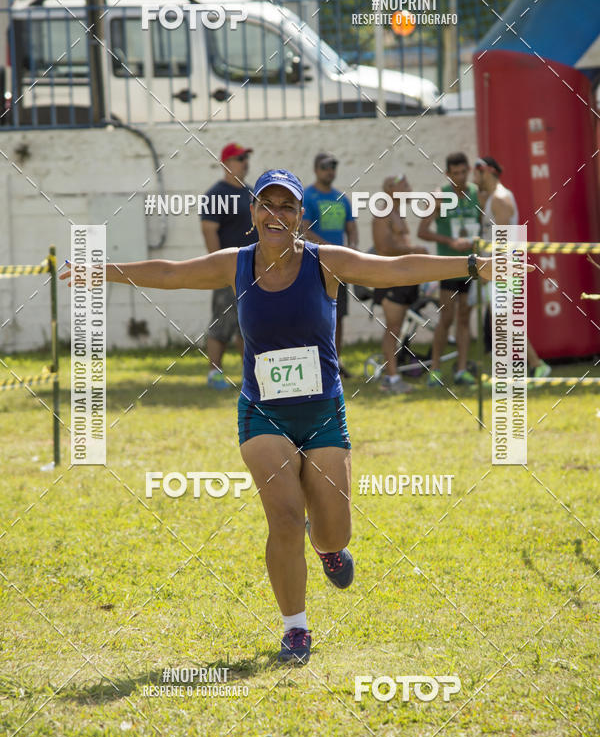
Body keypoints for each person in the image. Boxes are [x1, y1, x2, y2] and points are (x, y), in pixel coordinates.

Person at [61, 168, 501, 665]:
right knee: (287, 518)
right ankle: (295, 627)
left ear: (300, 217)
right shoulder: (236, 264)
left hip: (322, 414)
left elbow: (394, 267)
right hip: (262, 414)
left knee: (333, 529)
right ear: (252, 215)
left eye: (286, 206)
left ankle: (329, 546)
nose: (276, 214)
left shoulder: (325, 263)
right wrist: (104, 269)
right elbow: (171, 273)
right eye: (266, 205)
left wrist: (470, 263)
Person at [474, 156, 551, 378]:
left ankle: (533, 366)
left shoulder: (500, 198)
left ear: (485, 172)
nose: (472, 178)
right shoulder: (493, 198)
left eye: (475, 173)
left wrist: (492, 269)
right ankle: (529, 366)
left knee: (504, 320)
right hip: (501, 265)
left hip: (504, 266)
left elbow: (504, 240)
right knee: (504, 320)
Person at [418, 151, 480, 387]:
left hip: (470, 265)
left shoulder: (475, 193)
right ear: (447, 174)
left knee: (465, 318)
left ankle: (461, 370)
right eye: (455, 174)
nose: (460, 178)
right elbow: (422, 231)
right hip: (447, 266)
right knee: (447, 317)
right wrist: (449, 242)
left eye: (464, 172)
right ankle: (434, 369)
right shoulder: (440, 196)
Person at [200, 142, 257, 389]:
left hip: (254, 269)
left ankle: (251, 374)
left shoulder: (251, 192)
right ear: (226, 164)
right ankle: (214, 372)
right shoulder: (216, 195)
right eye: (240, 158)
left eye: (246, 157)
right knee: (222, 321)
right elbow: (209, 231)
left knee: (250, 323)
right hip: (228, 269)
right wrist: (218, 267)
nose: (245, 162)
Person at [371, 173, 429, 394]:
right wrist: (414, 250)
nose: (410, 188)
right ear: (390, 188)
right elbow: (383, 248)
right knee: (393, 328)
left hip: (403, 277)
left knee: (399, 327)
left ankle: (393, 374)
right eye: (405, 185)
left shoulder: (397, 213)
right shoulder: (383, 213)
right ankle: (392, 378)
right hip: (390, 278)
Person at [302, 151, 357, 378]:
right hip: (316, 266)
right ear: (316, 169)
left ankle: (334, 362)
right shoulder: (308, 196)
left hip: (339, 268)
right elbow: (304, 230)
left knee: (337, 316)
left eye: (333, 167)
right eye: (325, 167)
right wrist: (329, 250)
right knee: (313, 316)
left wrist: (351, 249)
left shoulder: (341, 198)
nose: (330, 171)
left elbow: (351, 227)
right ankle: (313, 363)